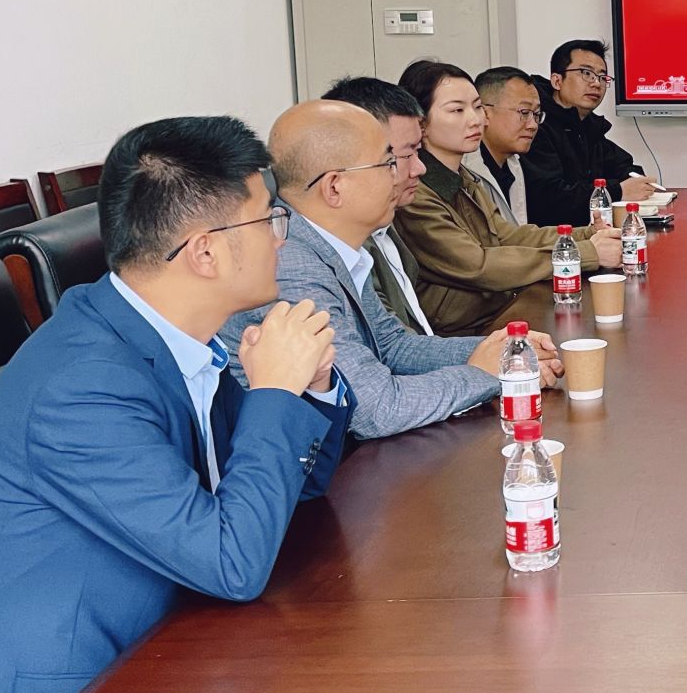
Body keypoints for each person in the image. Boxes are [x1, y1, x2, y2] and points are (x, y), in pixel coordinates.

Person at [0, 117, 353, 693]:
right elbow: (233, 564)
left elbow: (293, 488)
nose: (282, 236)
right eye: (269, 219)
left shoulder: (160, 337)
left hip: (163, 659)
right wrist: (273, 393)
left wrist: (311, 387)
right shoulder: (82, 388)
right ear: (205, 253)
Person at [223, 100, 563, 441]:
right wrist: (486, 373)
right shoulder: (291, 266)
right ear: (334, 187)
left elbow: (393, 347)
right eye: (388, 163)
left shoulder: (332, 244)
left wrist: (504, 350)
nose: (412, 172)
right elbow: (375, 408)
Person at [393, 60, 618, 337]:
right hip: (459, 334)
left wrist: (586, 235)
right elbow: (477, 265)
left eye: (477, 107)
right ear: (421, 123)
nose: (476, 120)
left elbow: (507, 235)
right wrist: (583, 253)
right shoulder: (415, 193)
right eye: (457, 110)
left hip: (498, 310)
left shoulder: (463, 176)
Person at [321, 75, 437, 336]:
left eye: (418, 151)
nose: (419, 168)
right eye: (406, 154)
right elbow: (391, 347)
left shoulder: (384, 223)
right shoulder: (340, 248)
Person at [523, 39, 655, 227]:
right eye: (586, 73)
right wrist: (617, 191)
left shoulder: (589, 126)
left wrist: (633, 183)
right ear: (557, 81)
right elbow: (551, 198)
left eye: (602, 77)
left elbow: (626, 169)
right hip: (554, 237)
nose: (596, 83)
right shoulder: (536, 125)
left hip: (590, 231)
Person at [466, 65, 540, 224]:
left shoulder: (515, 165)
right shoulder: (464, 170)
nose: (533, 125)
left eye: (537, 114)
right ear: (484, 114)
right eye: (524, 112)